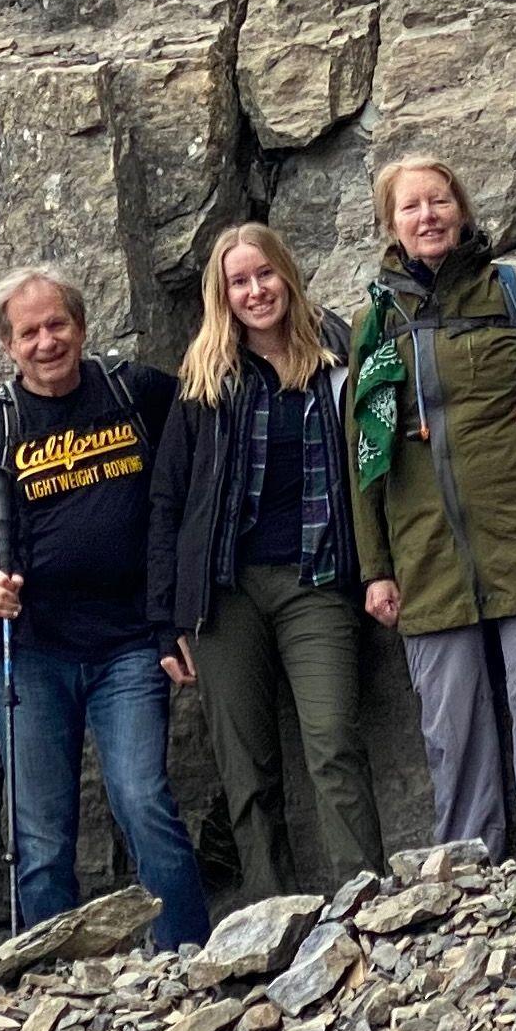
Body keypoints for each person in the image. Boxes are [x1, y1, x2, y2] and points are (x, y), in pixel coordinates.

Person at [0, 266, 208, 951]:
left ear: (82, 327)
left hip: (131, 643)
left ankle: (183, 955)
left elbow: (199, 469)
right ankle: (52, 978)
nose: (46, 341)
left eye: (57, 324)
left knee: (144, 801)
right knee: (38, 831)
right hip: (30, 651)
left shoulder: (136, 393)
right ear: (8, 346)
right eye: (29, 332)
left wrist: (177, 611)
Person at [345, 157, 516, 853]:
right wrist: (376, 569)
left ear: (460, 208)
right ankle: (469, 866)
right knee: (449, 722)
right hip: (424, 552)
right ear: (390, 224)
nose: (428, 216)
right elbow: (364, 459)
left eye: (439, 201)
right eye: (411, 207)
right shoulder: (375, 323)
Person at [145, 220, 379, 896]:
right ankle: (269, 912)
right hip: (226, 592)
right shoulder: (205, 377)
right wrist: (167, 618)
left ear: (287, 273)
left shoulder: (339, 350)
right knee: (245, 767)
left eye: (264, 274)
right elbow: (168, 503)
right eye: (238, 282)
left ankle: (363, 898)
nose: (255, 291)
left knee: (334, 741)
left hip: (319, 577)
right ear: (223, 295)